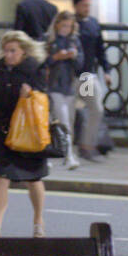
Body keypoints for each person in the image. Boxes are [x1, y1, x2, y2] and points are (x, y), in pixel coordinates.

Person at [0, 30, 48, 238]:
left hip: (28, 133)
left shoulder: (33, 70)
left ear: (24, 52)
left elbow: (45, 101)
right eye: (6, 50)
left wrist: (29, 96)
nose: (8, 55)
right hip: (1, 132)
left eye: (13, 51)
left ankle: (38, 221)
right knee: (1, 178)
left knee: (33, 179)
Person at [72, 0, 114, 162]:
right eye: (84, 5)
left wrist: (107, 71)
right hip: (69, 76)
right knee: (65, 113)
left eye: (89, 5)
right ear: (76, 6)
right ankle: (64, 148)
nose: (87, 8)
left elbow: (100, 50)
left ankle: (87, 145)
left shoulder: (93, 24)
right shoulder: (70, 23)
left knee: (95, 108)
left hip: (86, 76)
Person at [44, 10, 84, 170]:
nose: (66, 29)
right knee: (63, 120)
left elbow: (81, 64)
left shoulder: (74, 41)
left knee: (66, 122)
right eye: (64, 25)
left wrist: (73, 56)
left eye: (70, 26)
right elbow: (41, 62)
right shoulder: (48, 40)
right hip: (53, 86)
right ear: (57, 24)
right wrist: (55, 58)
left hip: (69, 86)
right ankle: (68, 156)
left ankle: (53, 154)